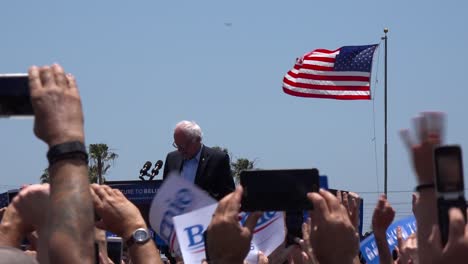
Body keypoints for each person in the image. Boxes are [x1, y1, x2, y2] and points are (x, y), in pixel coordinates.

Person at [163, 120, 235, 200]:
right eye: (176, 145)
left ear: (198, 140)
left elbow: (229, 195)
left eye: (183, 146)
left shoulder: (218, 159)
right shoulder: (171, 159)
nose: (180, 150)